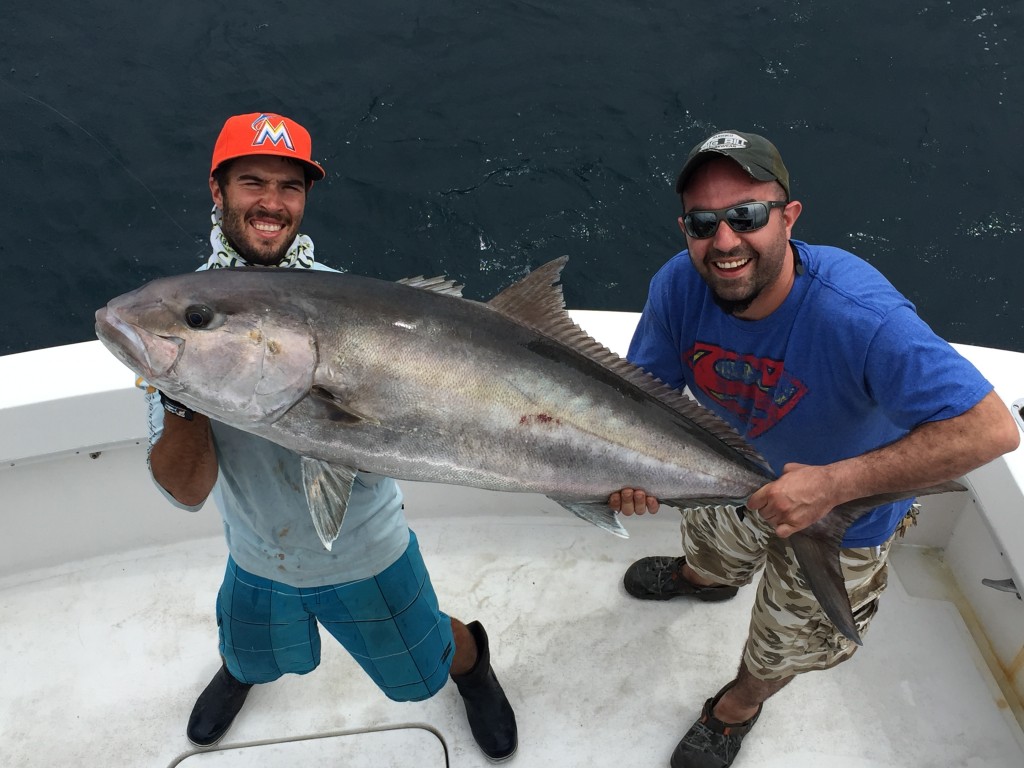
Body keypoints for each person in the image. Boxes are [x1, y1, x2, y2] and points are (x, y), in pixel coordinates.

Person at [607, 129, 1019, 768]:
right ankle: (703, 579)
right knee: (712, 550)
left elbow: (991, 429)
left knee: (786, 645)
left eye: (745, 216)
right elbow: (646, 399)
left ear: (788, 217)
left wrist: (830, 485)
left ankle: (737, 707)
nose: (724, 241)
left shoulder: (858, 314)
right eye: (702, 222)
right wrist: (622, 469)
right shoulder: (676, 284)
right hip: (728, 479)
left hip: (844, 513)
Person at [146, 112, 517, 761]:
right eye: (252, 182)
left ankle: (472, 666)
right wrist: (185, 400)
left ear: (305, 198)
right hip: (257, 556)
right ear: (218, 189)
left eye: (289, 186)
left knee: (422, 663)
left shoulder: (365, 306)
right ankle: (244, 669)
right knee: (251, 650)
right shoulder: (182, 320)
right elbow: (185, 490)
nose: (271, 202)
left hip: (366, 551)